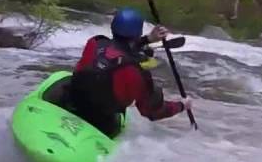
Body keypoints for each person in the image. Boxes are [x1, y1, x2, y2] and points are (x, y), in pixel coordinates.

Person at [61, 7, 193, 138]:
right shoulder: (137, 71)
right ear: (137, 34)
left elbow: (116, 51)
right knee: (150, 94)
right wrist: (181, 105)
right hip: (102, 123)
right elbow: (152, 112)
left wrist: (148, 39)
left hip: (71, 104)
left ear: (113, 27)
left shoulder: (95, 43)